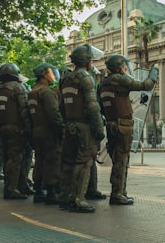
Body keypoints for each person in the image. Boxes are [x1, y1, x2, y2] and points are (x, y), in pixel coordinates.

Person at [98, 54, 158, 205]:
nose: (126, 69)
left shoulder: (103, 83)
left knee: (118, 158)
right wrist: (154, 72)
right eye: (125, 66)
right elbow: (146, 85)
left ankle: (120, 192)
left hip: (111, 124)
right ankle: (117, 194)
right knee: (121, 160)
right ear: (119, 67)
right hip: (123, 125)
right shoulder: (120, 79)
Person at [59, 44, 105, 213]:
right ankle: (78, 199)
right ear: (86, 62)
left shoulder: (65, 78)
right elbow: (93, 107)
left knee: (68, 162)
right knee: (85, 162)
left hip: (69, 125)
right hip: (84, 127)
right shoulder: (85, 77)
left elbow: (61, 106)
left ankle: (64, 197)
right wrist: (99, 129)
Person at [28, 63, 64, 205]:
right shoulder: (46, 92)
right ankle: (51, 192)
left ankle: (38, 191)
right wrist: (61, 129)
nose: (53, 75)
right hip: (49, 132)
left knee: (40, 161)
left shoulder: (32, 92)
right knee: (52, 161)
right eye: (51, 72)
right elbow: (54, 114)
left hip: (36, 131)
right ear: (44, 75)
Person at [0, 63, 31, 200]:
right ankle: (12, 189)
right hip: (16, 128)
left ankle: (14, 186)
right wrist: (28, 128)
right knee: (16, 158)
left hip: (2, 128)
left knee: (7, 158)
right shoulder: (17, 88)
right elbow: (24, 110)